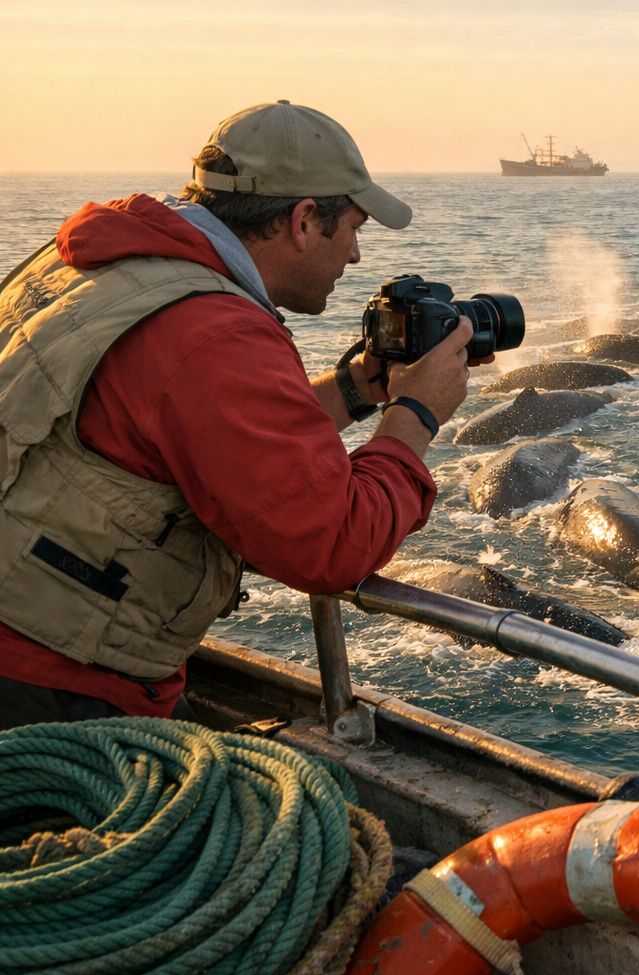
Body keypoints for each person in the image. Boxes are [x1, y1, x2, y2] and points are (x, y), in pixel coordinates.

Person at [0, 100, 481, 728]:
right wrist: (417, 413)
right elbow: (331, 546)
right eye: (354, 229)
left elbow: (191, 430)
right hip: (50, 675)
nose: (357, 256)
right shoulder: (215, 332)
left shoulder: (103, 265)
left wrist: (356, 389)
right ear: (305, 220)